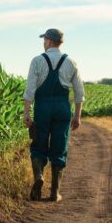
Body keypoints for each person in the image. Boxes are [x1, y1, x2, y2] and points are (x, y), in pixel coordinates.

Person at [22, 28, 84, 202]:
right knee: (59, 148)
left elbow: (29, 91)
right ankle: (54, 193)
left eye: (44, 40)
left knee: (38, 145)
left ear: (49, 41)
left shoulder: (37, 61)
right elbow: (79, 93)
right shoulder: (71, 62)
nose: (43, 43)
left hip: (42, 108)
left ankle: (39, 177)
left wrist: (27, 114)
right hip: (62, 109)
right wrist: (77, 116)